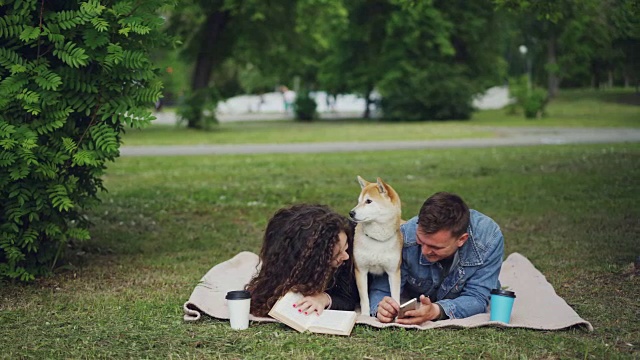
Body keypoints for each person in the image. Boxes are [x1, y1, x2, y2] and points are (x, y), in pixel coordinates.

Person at [370, 192, 504, 324]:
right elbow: (382, 288)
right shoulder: (403, 236)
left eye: (436, 247)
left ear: (461, 239)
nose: (425, 251)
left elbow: (477, 297)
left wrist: (436, 311)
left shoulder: (489, 239)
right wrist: (381, 307)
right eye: (420, 241)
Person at [246, 204, 359, 317]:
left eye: (346, 247)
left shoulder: (350, 243)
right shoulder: (288, 267)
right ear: (312, 262)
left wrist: (324, 298)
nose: (346, 256)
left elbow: (348, 295)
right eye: (336, 255)